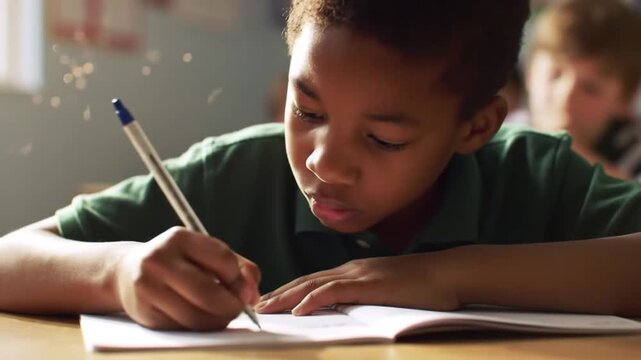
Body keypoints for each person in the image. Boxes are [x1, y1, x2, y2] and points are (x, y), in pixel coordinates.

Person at [1, 0, 641, 332]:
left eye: (384, 140)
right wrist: (116, 273)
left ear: (475, 126)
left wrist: (445, 277)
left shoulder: (538, 178)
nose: (324, 163)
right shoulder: (237, 175)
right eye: (305, 110)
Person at [520, 0, 641, 179]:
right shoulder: (505, 134)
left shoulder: (634, 154)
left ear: (624, 100)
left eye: (590, 88)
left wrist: (564, 151)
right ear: (530, 73)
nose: (565, 99)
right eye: (554, 75)